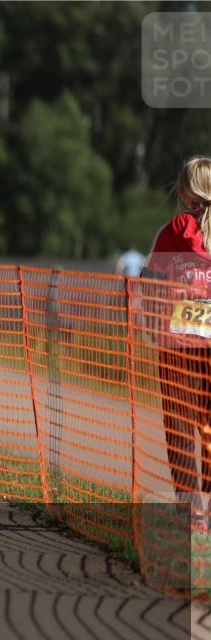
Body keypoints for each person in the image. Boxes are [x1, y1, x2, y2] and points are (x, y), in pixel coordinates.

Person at [144, 155, 211, 530]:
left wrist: (150, 324)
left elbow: (149, 283)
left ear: (184, 192)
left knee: (180, 427)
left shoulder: (169, 234)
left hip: (175, 344)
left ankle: (192, 511)